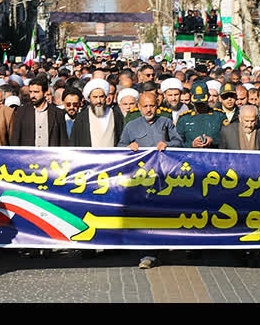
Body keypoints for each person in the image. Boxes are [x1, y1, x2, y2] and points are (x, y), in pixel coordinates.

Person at [118, 90, 183, 269]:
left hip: (163, 180)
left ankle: (159, 250)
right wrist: (129, 146)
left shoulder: (166, 122)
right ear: (138, 107)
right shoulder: (131, 126)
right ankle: (146, 254)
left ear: (157, 106)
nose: (148, 110)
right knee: (143, 216)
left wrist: (167, 144)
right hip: (141, 181)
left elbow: (179, 141)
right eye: (145, 106)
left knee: (160, 216)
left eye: (152, 106)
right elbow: (120, 146)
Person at [11, 75, 68, 147]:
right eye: (31, 92)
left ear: (45, 93)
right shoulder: (22, 112)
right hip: (28, 156)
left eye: (36, 92)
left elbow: (62, 140)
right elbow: (15, 139)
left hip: (50, 156)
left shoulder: (58, 113)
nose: (32, 96)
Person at [70, 78, 123, 147]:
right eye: (95, 97)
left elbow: (122, 139)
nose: (98, 101)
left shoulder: (115, 114)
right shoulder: (81, 118)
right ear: (89, 98)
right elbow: (74, 142)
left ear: (105, 97)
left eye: (101, 97)